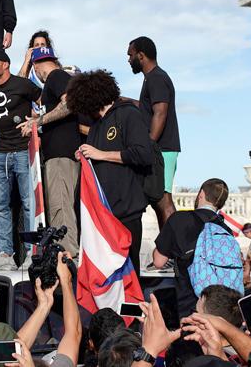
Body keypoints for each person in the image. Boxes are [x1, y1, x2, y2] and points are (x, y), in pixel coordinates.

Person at [65, 69, 151, 271]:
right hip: (102, 216)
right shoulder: (96, 126)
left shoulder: (128, 114)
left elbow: (142, 154)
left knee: (127, 273)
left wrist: (101, 154)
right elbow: (95, 156)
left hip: (125, 213)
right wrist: (85, 156)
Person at [20, 47, 82, 257]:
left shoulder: (56, 76)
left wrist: (40, 120)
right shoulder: (55, 80)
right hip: (59, 155)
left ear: (36, 66)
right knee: (60, 206)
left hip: (61, 156)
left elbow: (69, 104)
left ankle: (67, 254)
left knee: (61, 207)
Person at [0, 50, 41, 270]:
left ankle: (31, 253)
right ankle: (5, 254)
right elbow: (1, 115)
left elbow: (44, 103)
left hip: (23, 151)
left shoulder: (23, 85)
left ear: (5, 64)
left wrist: (38, 122)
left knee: (28, 204)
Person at [151, 177, 230, 319]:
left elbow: (158, 261)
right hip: (219, 308)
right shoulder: (226, 230)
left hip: (189, 304)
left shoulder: (179, 219)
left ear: (201, 194)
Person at [127, 36, 180, 226]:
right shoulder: (152, 79)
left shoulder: (156, 78)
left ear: (141, 56)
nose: (128, 59)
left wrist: (148, 144)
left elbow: (160, 112)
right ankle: (168, 248)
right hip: (159, 148)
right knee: (157, 201)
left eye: (130, 55)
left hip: (162, 149)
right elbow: (149, 108)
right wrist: (125, 101)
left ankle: (176, 249)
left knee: (164, 200)